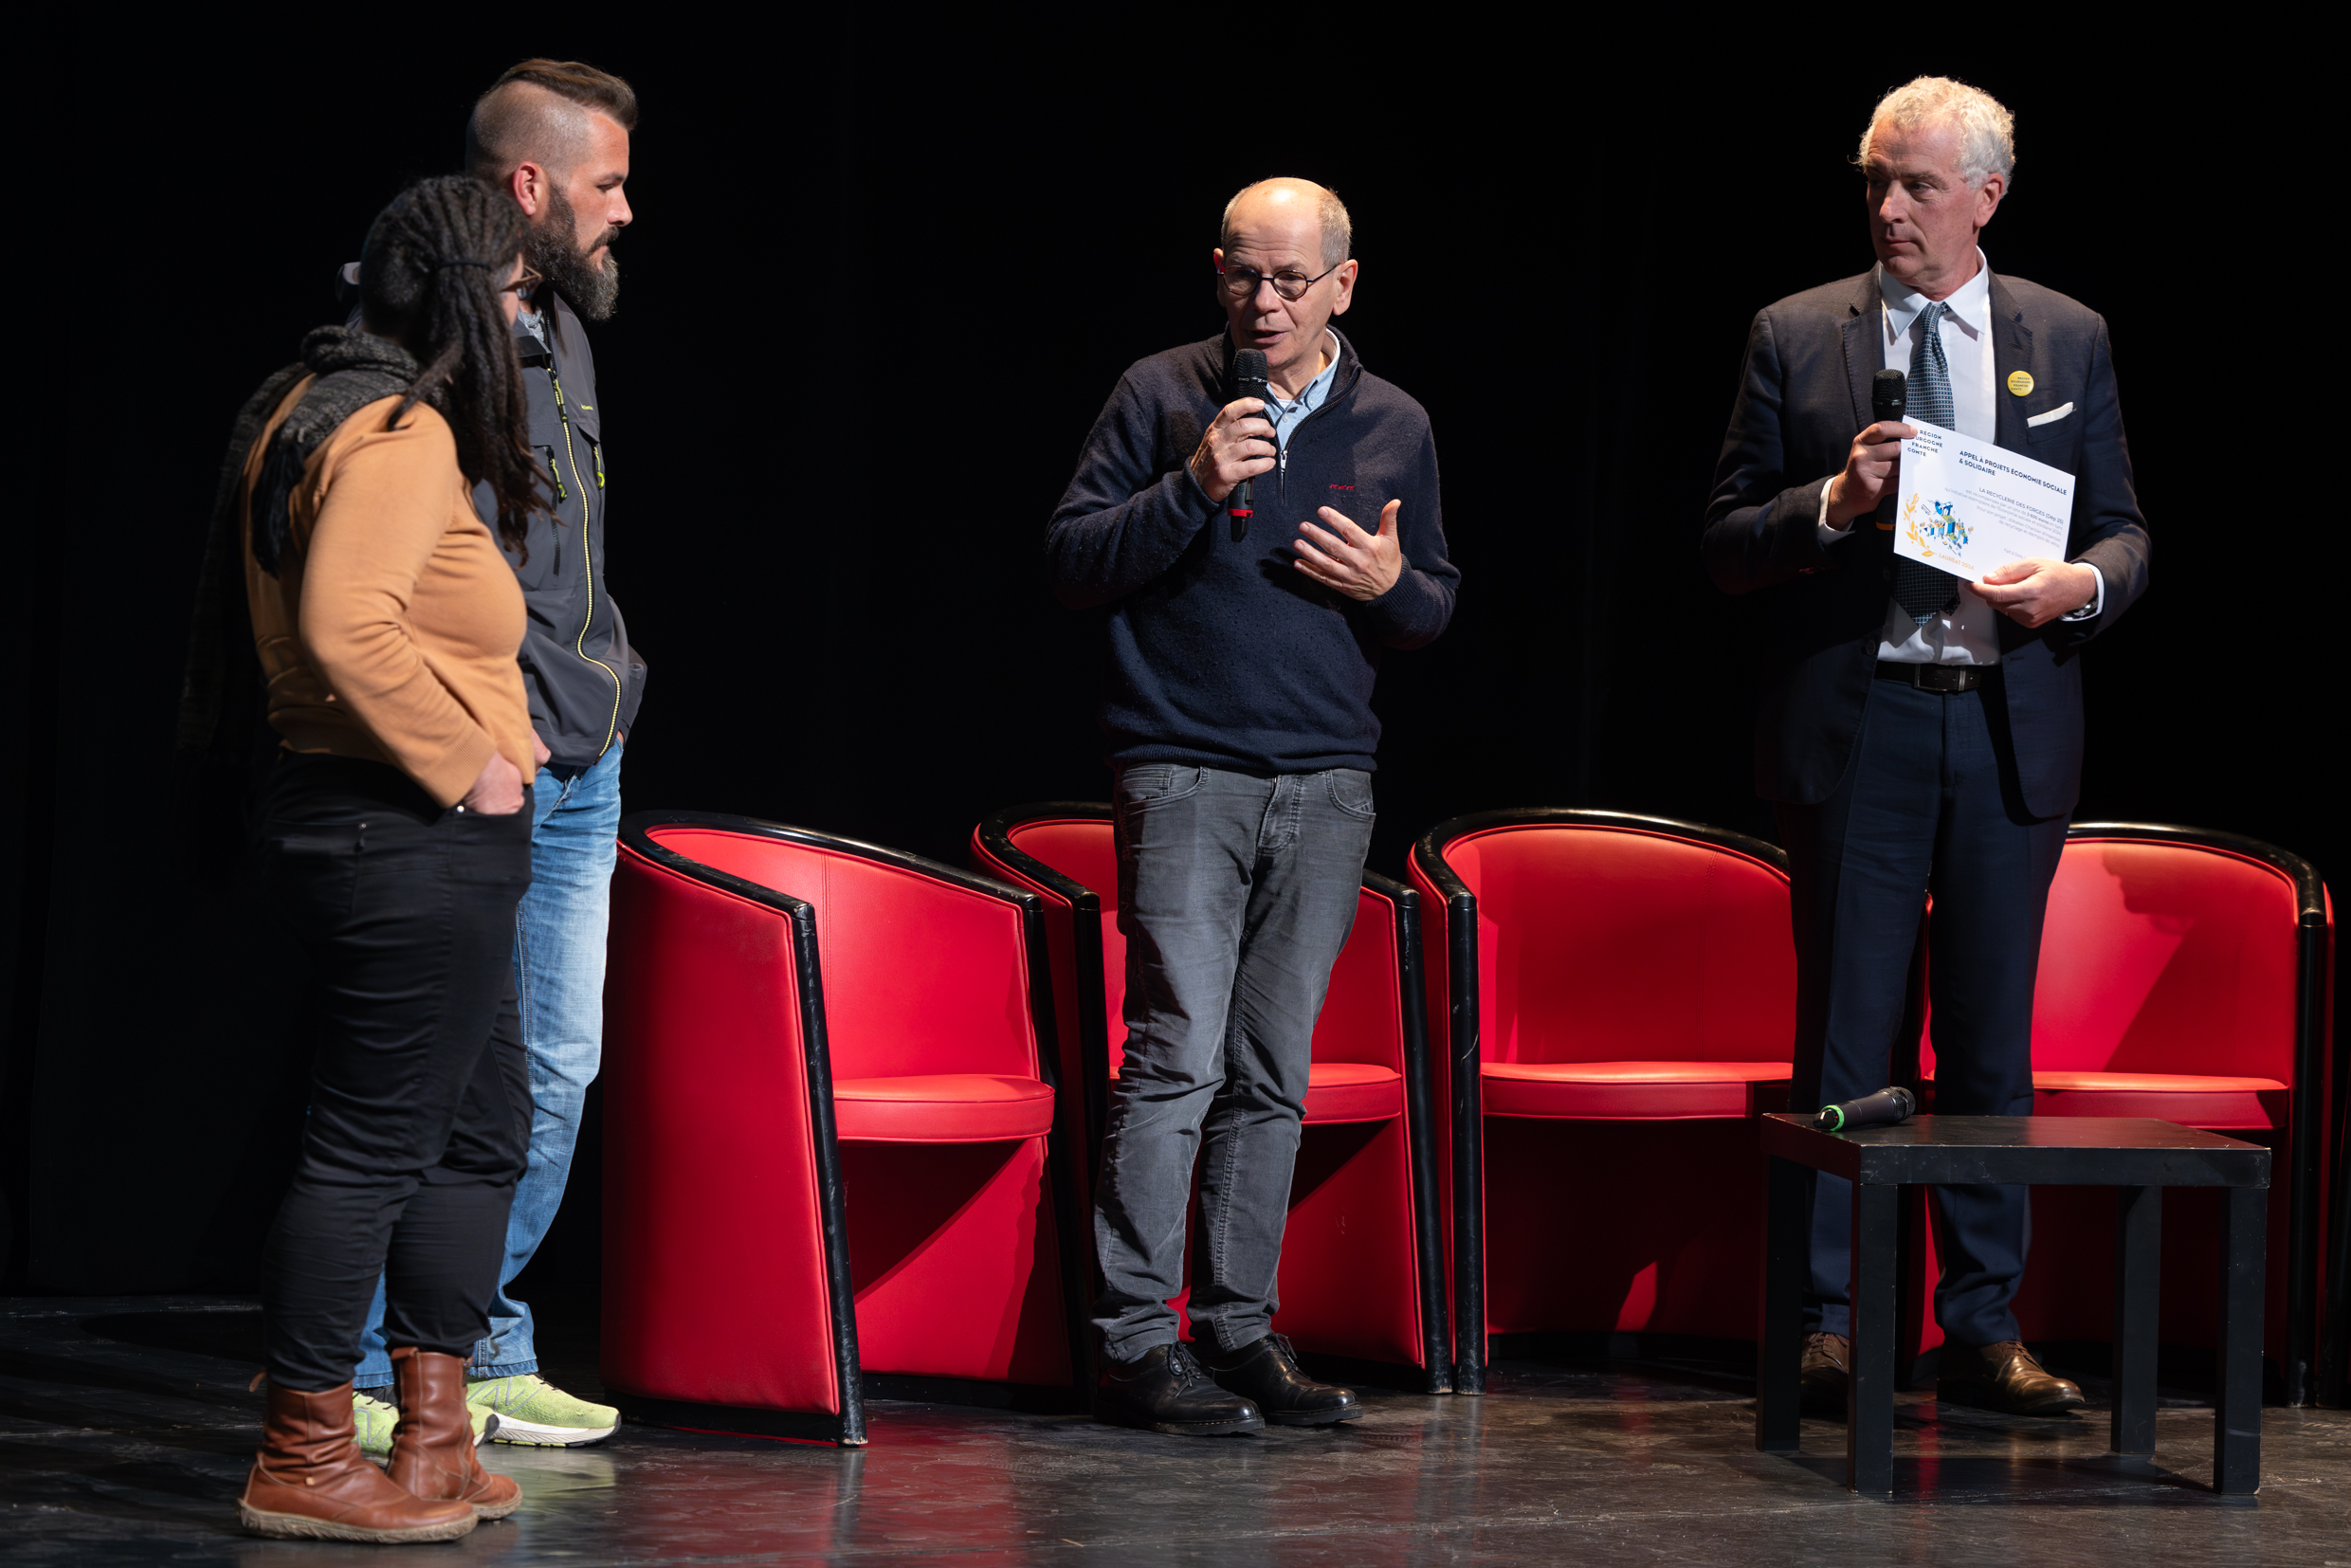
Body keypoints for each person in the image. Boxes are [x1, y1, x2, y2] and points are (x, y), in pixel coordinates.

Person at [1702, 78, 2151, 1414]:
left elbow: (2127, 530)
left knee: (1992, 1045)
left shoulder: (2065, 338)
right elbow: (1724, 541)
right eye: (1875, 183)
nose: (1888, 208)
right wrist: (1832, 502)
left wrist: (2080, 589)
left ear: (1986, 198)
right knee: (1849, 1038)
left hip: (2010, 722)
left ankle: (1983, 1321)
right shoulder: (1798, 333)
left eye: (1916, 186)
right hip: (1864, 721)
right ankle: (1836, 1319)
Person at [1047, 177, 1459, 1435]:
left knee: (1271, 1070)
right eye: (1242, 276)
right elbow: (1071, 561)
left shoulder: (1395, 421)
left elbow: (1431, 605)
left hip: (1329, 781)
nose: (1262, 302)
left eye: (1289, 280)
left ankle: (1236, 1328)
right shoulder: (1162, 393)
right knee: (1176, 1053)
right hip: (1183, 769)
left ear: (1344, 282)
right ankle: (1133, 1341)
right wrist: (1187, 484)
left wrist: (1394, 585)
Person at [223, 175, 544, 1541]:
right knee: (371, 1148)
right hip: (402, 829)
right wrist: (465, 758)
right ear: (472, 298)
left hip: (383, 828)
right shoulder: (398, 432)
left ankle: (433, 1438)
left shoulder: (311, 405)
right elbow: (351, 627)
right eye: (521, 296)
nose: (532, 321)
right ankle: (301, 1450)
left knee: (478, 1132)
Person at [337, 59, 642, 1453]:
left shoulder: (567, 335)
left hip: (588, 760)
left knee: (559, 1066)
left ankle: (479, 1337)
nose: (624, 211)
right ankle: (365, 1353)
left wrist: (609, 695)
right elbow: (403, 582)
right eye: (606, 184)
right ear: (531, 188)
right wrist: (479, 746)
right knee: (449, 1068)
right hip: (486, 762)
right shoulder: (425, 345)